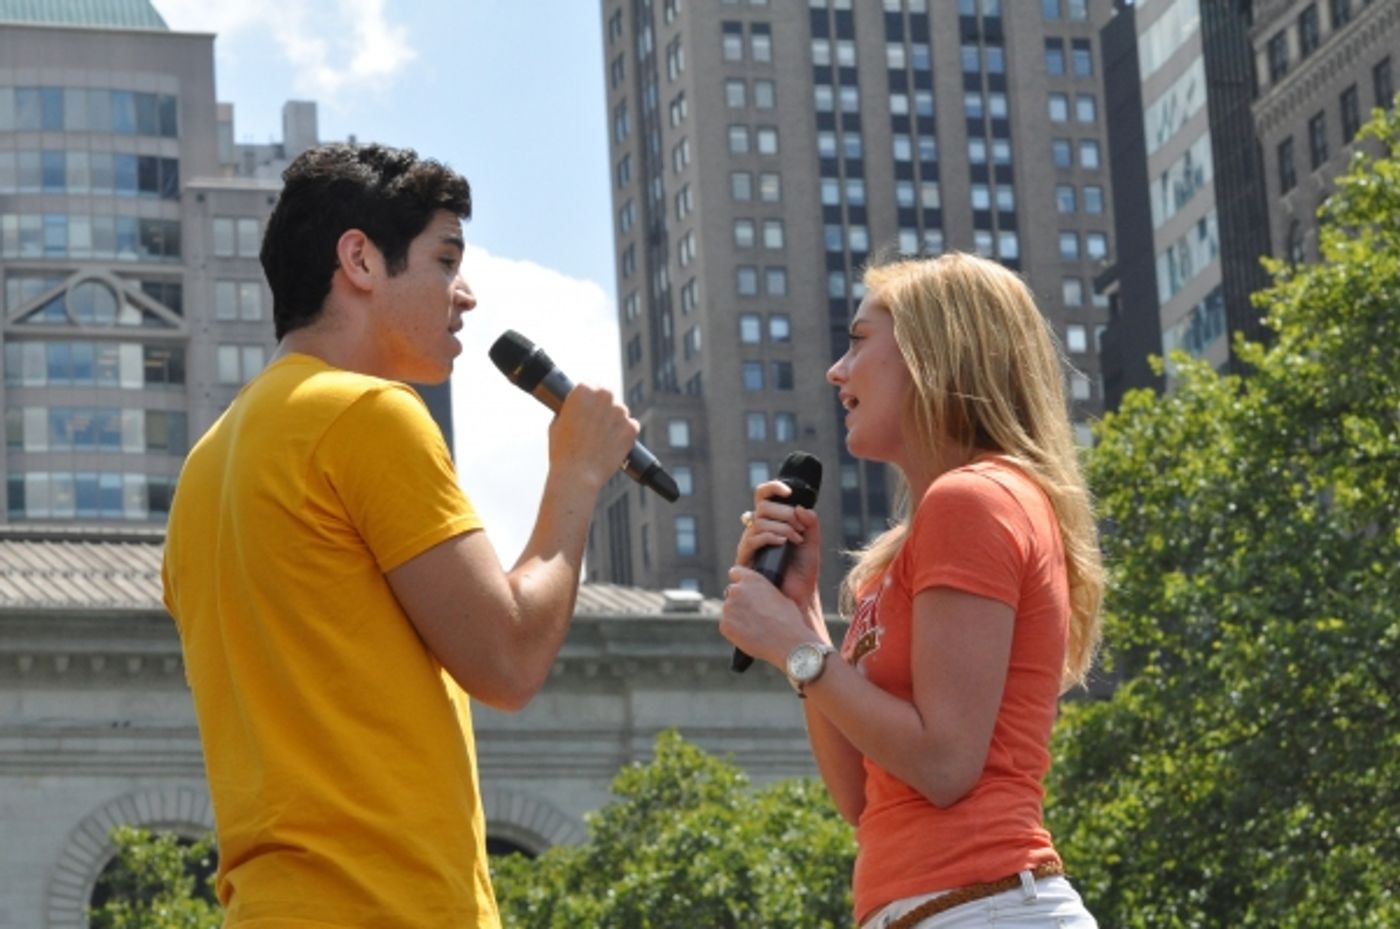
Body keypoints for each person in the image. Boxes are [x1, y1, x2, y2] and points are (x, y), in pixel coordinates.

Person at [162, 143, 639, 927]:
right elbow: (510, 657)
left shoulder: (204, 468)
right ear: (360, 260)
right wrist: (577, 474)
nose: (466, 294)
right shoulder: (368, 414)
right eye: (445, 260)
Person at [719, 252, 1103, 928]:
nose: (836, 371)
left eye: (859, 342)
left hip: (986, 905)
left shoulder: (975, 499)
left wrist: (800, 648)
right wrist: (799, 612)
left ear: (936, 353)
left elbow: (946, 763)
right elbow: (862, 799)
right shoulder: (904, 553)